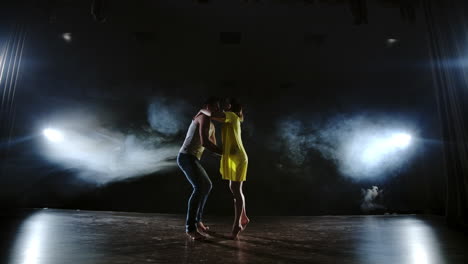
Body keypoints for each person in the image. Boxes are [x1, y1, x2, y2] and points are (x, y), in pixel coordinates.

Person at [200, 98, 249, 240]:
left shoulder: (232, 116)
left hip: (238, 157)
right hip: (234, 156)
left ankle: (237, 224)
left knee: (236, 190)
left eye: (226, 105)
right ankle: (244, 217)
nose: (223, 106)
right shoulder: (231, 118)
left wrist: (201, 110)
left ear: (231, 107)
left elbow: (211, 115)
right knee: (234, 189)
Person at [177, 97, 222, 240]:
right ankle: (190, 228)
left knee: (207, 185)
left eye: (218, 108)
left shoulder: (212, 125)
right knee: (199, 187)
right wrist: (225, 153)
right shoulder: (202, 117)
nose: (217, 110)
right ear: (208, 106)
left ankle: (198, 222)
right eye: (215, 107)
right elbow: (204, 142)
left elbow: (213, 146)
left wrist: (224, 153)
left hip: (193, 158)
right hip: (186, 157)